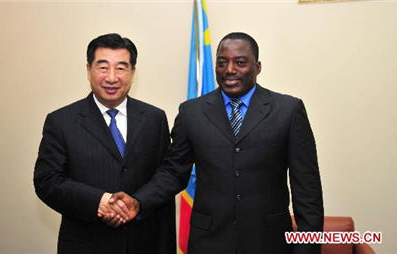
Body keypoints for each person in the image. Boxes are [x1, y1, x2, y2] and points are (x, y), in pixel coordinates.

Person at [107, 32, 324, 254]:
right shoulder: (192, 112)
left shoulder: (288, 111)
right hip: (209, 242)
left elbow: (307, 190)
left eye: (240, 62)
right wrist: (138, 201)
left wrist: (307, 249)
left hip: (269, 242)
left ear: (258, 67)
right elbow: (173, 172)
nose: (230, 70)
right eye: (222, 63)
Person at [33, 33, 176, 254]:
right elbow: (47, 181)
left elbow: (167, 174)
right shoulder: (61, 121)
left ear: (133, 72)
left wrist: (138, 202)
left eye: (121, 68)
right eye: (102, 67)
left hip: (146, 242)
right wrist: (99, 201)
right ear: (88, 69)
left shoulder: (154, 118)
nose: (111, 77)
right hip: (87, 244)